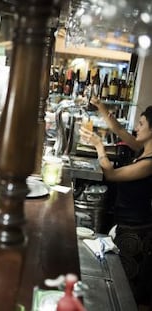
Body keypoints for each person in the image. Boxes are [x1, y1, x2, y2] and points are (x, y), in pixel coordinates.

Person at [80, 98, 152, 308]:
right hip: (127, 224)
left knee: (126, 290)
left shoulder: (149, 163)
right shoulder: (142, 148)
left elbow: (111, 174)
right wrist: (102, 108)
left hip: (136, 231)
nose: (136, 127)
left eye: (141, 124)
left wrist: (99, 146)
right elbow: (119, 130)